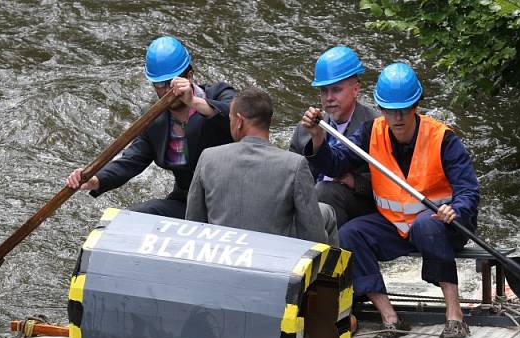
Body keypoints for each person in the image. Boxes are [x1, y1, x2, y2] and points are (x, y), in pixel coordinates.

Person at [300, 63, 480, 338]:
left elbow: (468, 189)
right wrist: (318, 136)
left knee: (425, 225)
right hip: (396, 225)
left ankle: (455, 316)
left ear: (416, 106)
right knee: (350, 234)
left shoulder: (443, 138)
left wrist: (456, 209)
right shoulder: (371, 132)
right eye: (389, 110)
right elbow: (335, 163)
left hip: (442, 226)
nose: (396, 118)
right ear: (381, 108)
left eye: (403, 110)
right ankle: (391, 318)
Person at [65, 36, 235, 218]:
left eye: (172, 82)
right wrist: (95, 180)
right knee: (137, 215)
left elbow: (239, 117)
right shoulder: (155, 123)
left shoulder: (219, 95)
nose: (167, 90)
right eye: (160, 84)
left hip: (232, 199)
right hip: (188, 203)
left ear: (190, 77)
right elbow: (130, 161)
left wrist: (194, 102)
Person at [186, 87, 337, 246]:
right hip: (273, 256)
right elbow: (314, 236)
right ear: (270, 122)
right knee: (326, 212)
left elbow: (193, 222)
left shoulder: (208, 157)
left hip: (221, 252)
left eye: (230, 119)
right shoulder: (295, 164)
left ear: (239, 121)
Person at [289, 46, 378, 226]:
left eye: (336, 90)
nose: (328, 98)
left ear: (355, 90)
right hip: (314, 203)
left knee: (325, 191)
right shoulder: (305, 128)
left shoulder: (376, 126)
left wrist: (356, 182)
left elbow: (393, 186)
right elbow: (290, 176)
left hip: (360, 206)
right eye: (323, 91)